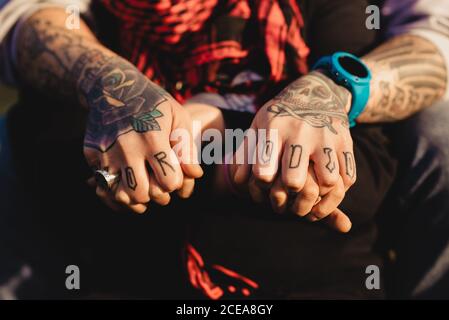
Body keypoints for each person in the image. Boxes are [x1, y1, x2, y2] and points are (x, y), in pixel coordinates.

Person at [0, 0, 447, 298]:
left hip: (320, 274)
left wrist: (330, 91)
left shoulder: (330, 12)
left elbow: (435, 42)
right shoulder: (110, 19)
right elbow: (28, 25)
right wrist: (109, 86)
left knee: (439, 129)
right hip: (128, 268)